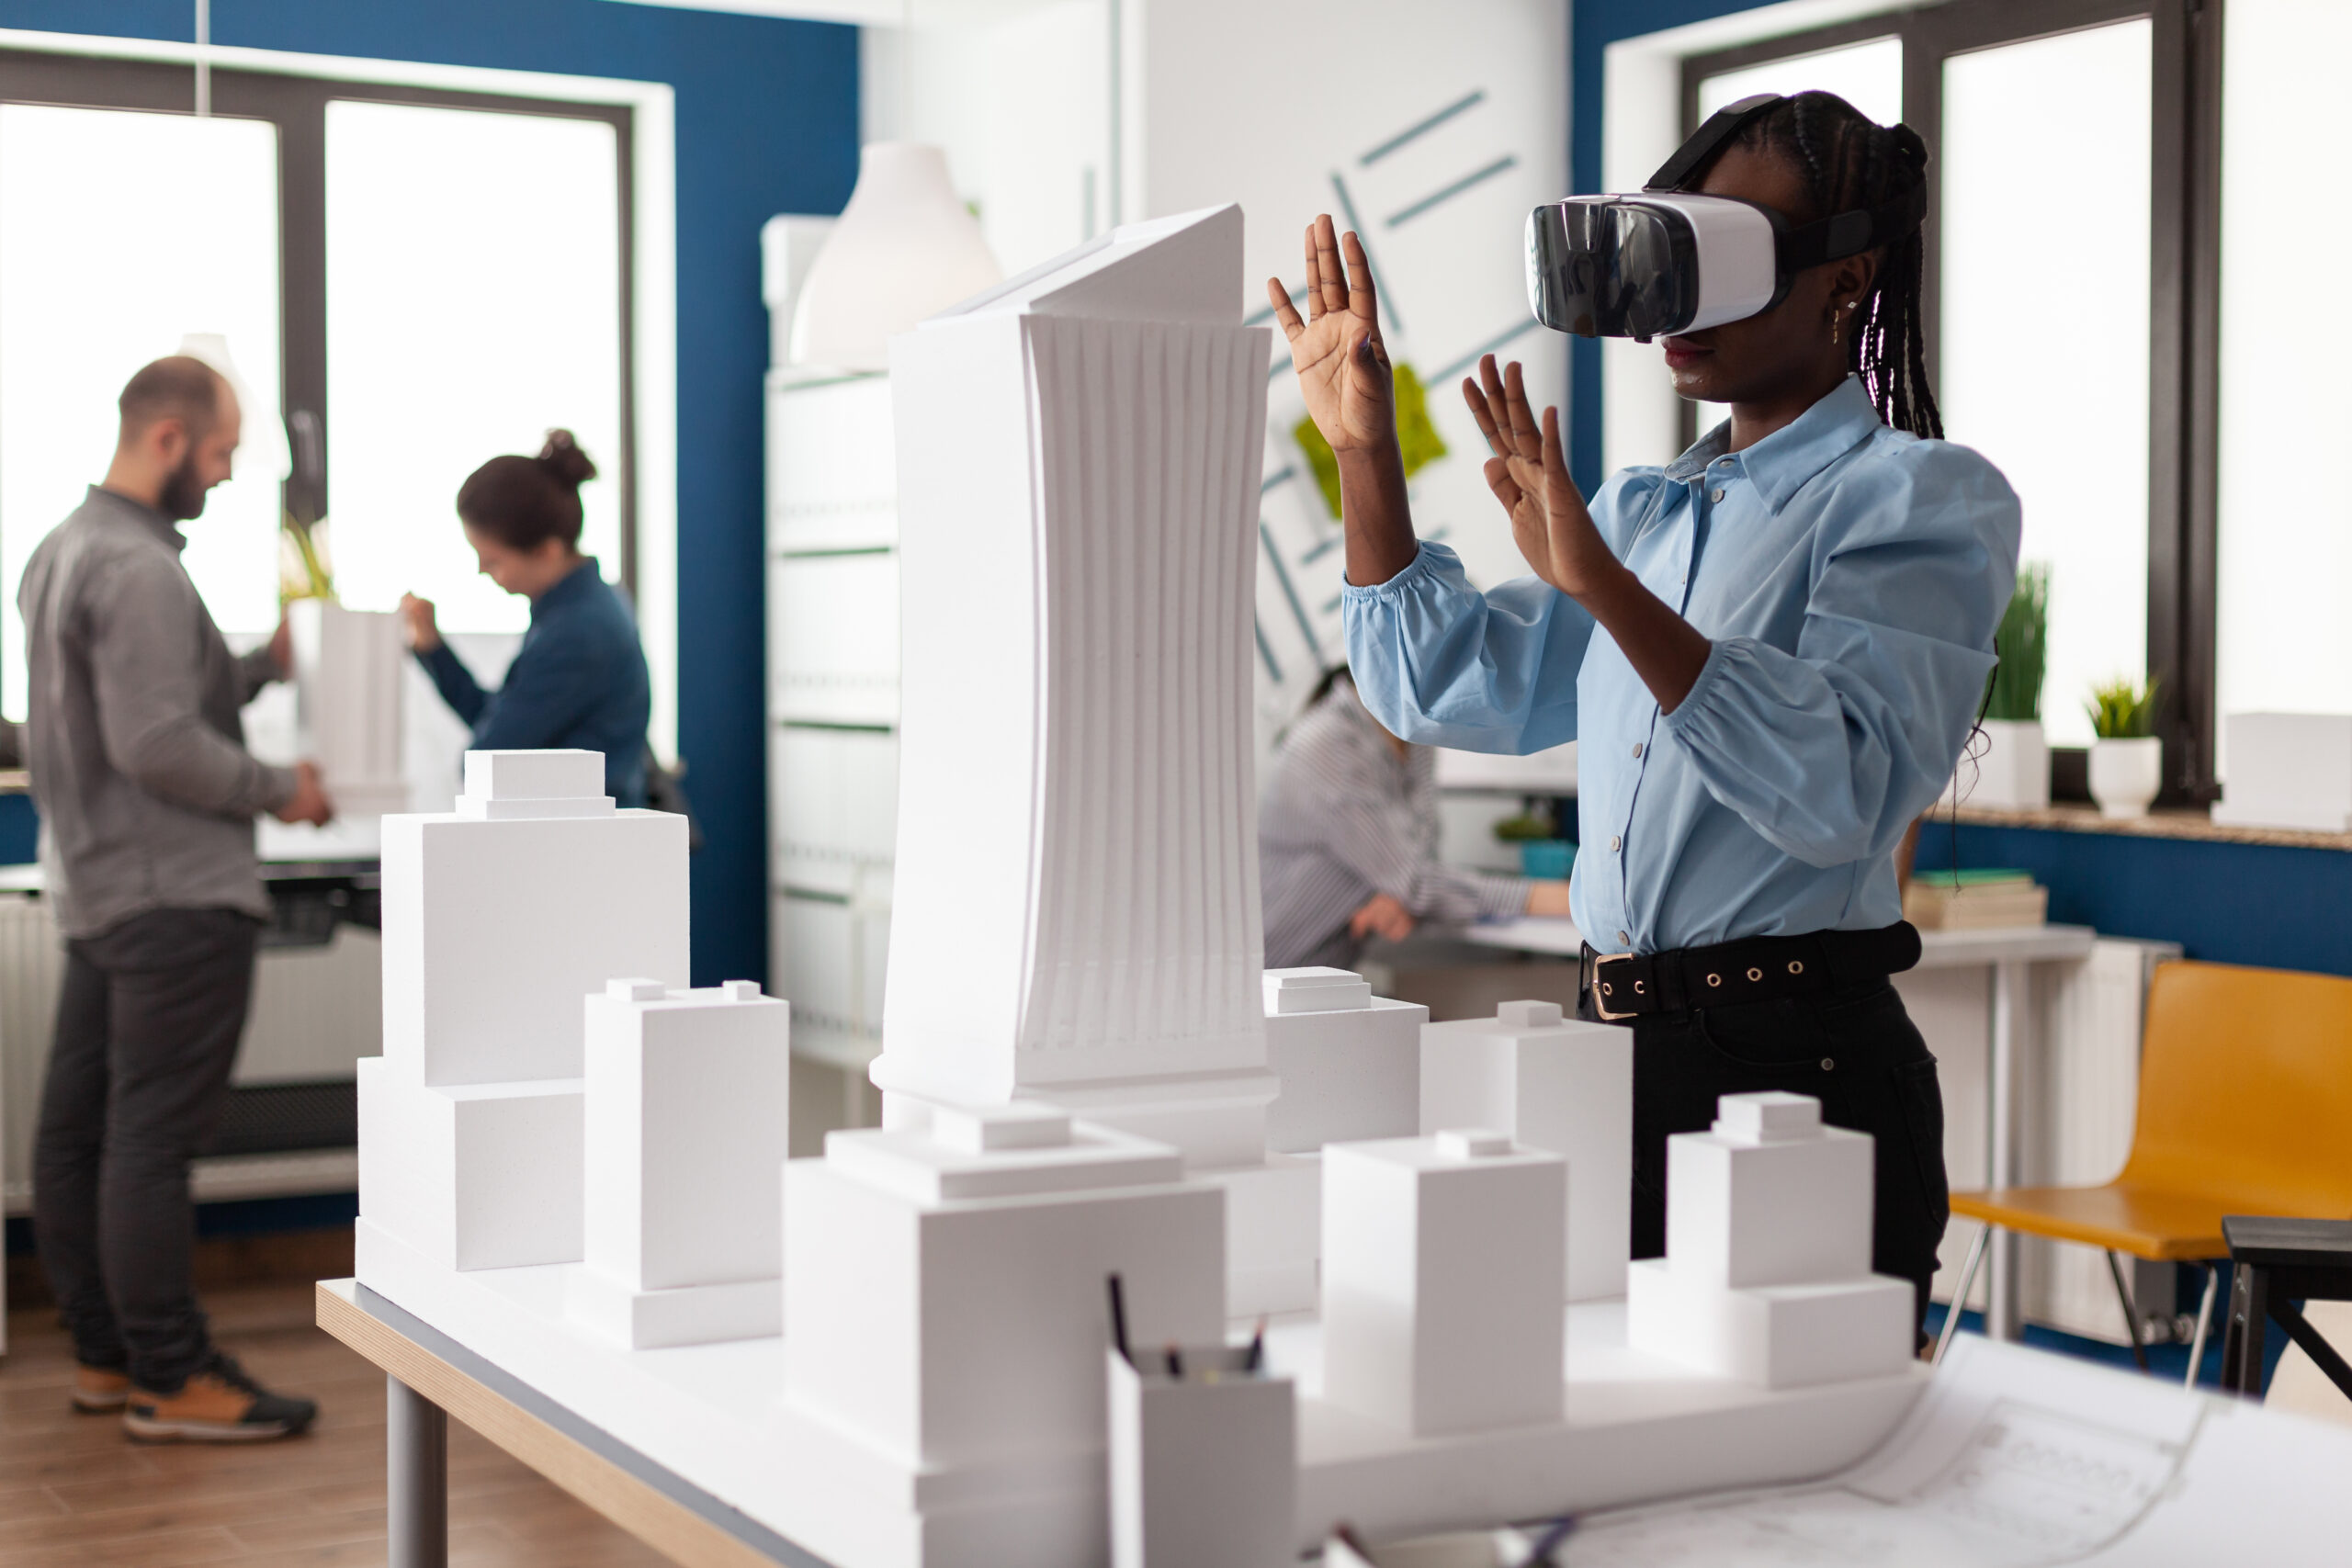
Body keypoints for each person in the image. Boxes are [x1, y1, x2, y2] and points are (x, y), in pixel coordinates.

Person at [1272, 93, 2019, 1332]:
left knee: (1788, 1497)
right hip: (1605, 1055)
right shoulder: (1637, 507)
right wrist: (1363, 454)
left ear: (1848, 273)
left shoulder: (1920, 499)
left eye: (1730, 253)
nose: (1680, 303)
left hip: (1796, 1070)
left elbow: (1839, 786)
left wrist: (1604, 587)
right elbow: (1437, 679)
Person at [19, 355, 332, 1440]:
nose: (231, 471)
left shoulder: (65, 551)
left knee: (79, 1139)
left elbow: (136, 703)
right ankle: (173, 1371)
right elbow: (155, 741)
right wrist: (280, 791)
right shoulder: (143, 569)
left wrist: (257, 666)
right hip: (176, 897)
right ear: (166, 438)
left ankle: (108, 1359)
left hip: (100, 887)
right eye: (222, 450)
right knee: (150, 1144)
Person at [399, 431, 651, 806]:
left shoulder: (578, 632)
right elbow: (500, 719)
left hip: (578, 845)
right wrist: (433, 648)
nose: (483, 571)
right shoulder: (584, 608)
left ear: (548, 551)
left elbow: (487, 759)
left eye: (494, 560)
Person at [1261, 666, 1572, 969]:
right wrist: (1552, 897)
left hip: (1318, 981)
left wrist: (1396, 893)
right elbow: (1417, 880)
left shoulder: (1414, 736)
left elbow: (1417, 862)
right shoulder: (1328, 743)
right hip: (1266, 980)